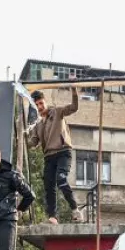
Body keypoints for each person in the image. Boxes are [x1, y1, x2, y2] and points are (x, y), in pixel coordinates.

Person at [28, 89, 81, 223]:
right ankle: (52, 216)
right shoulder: (38, 125)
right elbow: (33, 143)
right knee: (48, 185)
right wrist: (22, 135)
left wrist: (74, 92)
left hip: (63, 152)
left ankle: (75, 209)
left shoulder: (57, 112)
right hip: (49, 157)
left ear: (45, 101)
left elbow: (74, 108)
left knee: (61, 179)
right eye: (37, 105)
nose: (40, 107)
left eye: (41, 103)